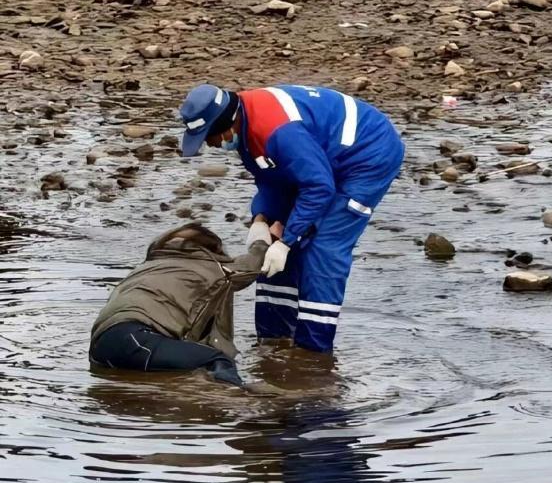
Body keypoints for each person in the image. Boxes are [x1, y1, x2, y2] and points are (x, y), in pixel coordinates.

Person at [179, 83, 405, 353]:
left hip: (366, 156)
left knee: (322, 248)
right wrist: (262, 219)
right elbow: (272, 179)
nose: (211, 144)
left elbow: (319, 188)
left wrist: (286, 241)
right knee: (272, 253)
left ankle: (313, 355)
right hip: (320, 160)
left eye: (209, 137)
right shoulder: (247, 126)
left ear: (227, 124)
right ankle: (273, 342)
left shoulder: (279, 132)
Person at [89, 221, 271, 386]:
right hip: (139, 341)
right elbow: (249, 268)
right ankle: (239, 403)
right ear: (210, 248)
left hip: (101, 347)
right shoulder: (209, 267)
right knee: (217, 361)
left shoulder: (148, 267)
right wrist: (263, 240)